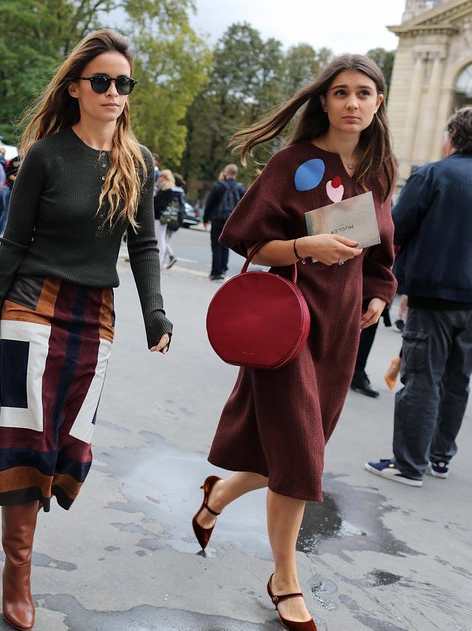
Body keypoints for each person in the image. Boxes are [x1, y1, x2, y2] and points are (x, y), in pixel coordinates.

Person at [0, 29, 172, 631]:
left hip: (95, 317)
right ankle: (18, 573)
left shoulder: (139, 164)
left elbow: (143, 247)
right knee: (27, 436)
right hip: (33, 305)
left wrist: (156, 312)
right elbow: (14, 242)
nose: (113, 92)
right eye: (102, 82)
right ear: (77, 89)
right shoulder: (47, 156)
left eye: (122, 83)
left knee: (63, 438)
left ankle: (22, 543)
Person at [192, 54, 396, 631]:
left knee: (288, 453)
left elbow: (383, 255)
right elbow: (250, 245)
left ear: (379, 102)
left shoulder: (379, 174)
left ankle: (216, 498)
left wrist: (378, 295)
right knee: (303, 456)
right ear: (324, 102)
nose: (352, 103)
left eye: (363, 93)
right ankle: (285, 579)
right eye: (340, 93)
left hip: (340, 337)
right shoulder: (294, 164)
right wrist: (309, 247)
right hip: (289, 328)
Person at [365, 106, 472, 487]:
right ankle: (440, 457)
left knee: (424, 377)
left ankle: (410, 464)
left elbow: (396, 229)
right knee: (459, 379)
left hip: (435, 293)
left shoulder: (433, 174)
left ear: (453, 136)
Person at [203, 163, 245, 280]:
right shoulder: (241, 188)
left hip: (217, 219)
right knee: (226, 246)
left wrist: (205, 219)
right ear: (235, 174)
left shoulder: (218, 186)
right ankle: (223, 271)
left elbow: (209, 204)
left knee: (216, 246)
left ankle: (215, 272)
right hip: (231, 221)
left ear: (226, 173)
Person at [153, 169, 176, 267]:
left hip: (160, 217)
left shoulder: (168, 189)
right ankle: (159, 259)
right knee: (159, 238)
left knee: (160, 238)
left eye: (161, 176)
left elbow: (162, 204)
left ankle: (160, 260)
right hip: (158, 216)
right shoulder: (162, 188)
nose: (159, 178)